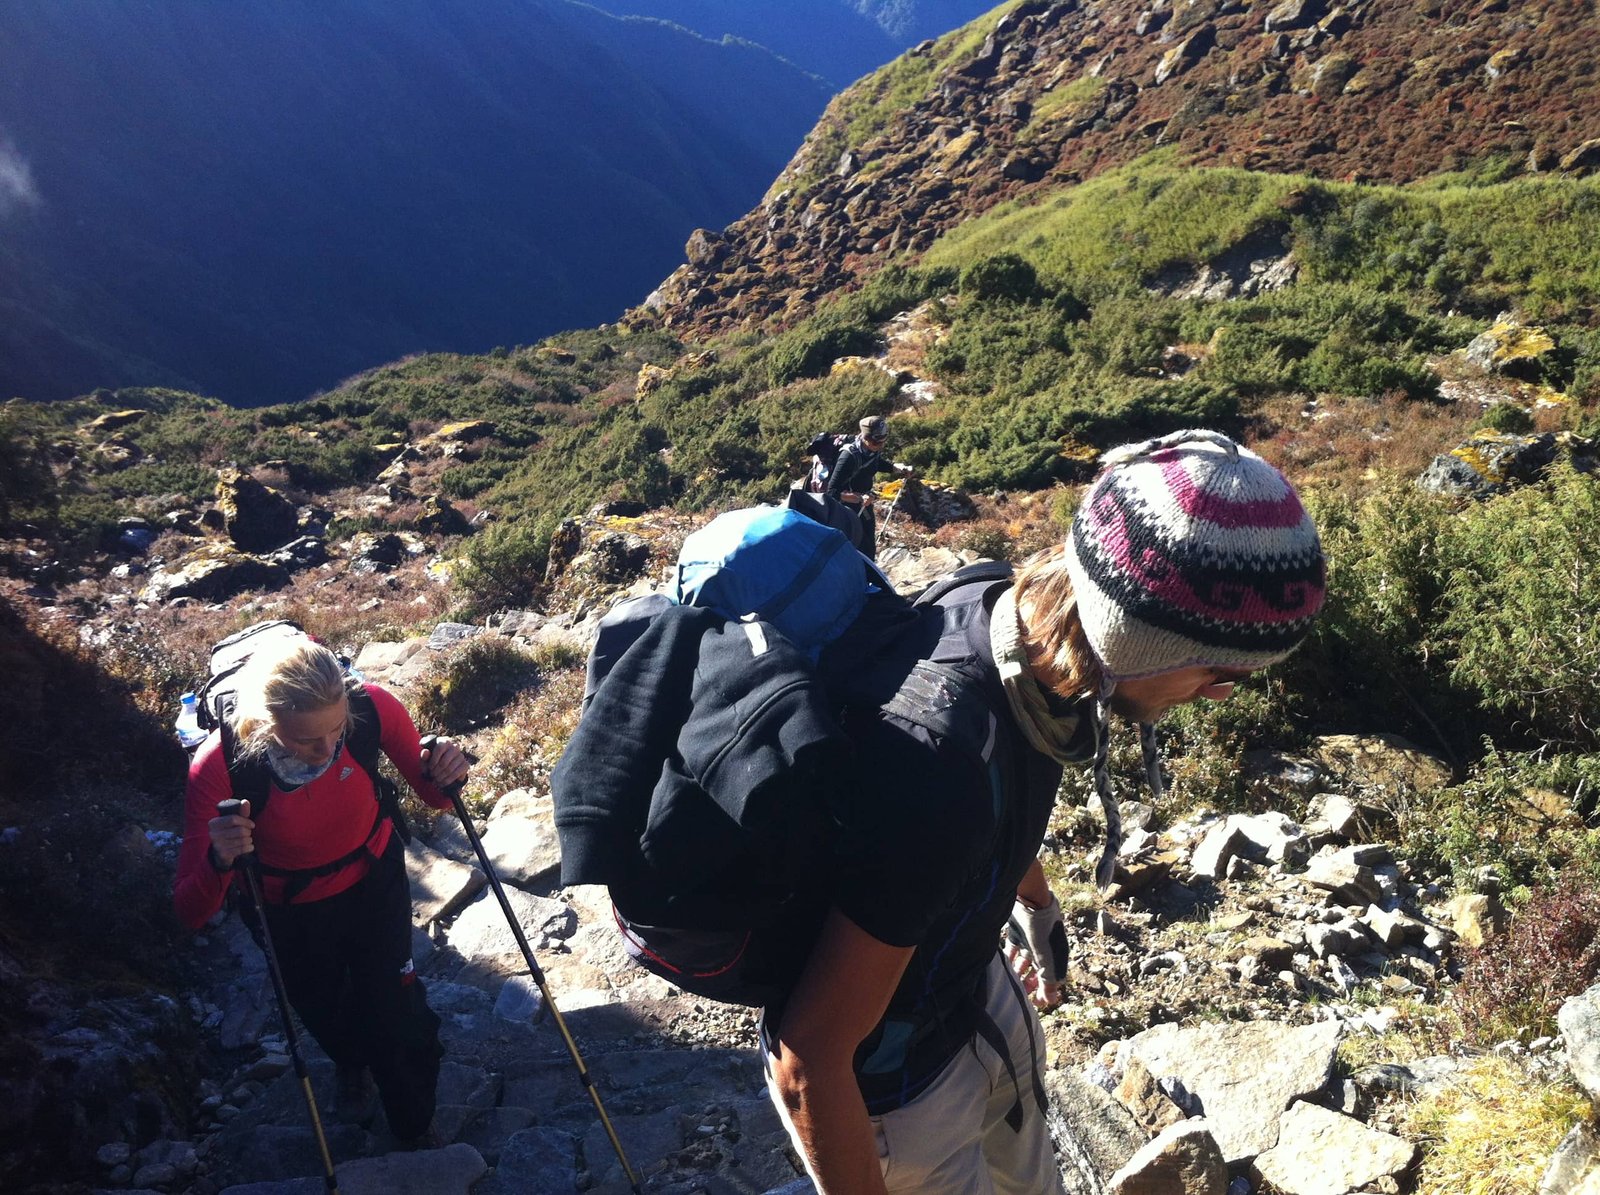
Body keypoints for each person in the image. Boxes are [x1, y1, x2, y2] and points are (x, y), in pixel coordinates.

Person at [763, 429, 1327, 1193]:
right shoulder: (940, 762)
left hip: (974, 999)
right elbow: (809, 1056)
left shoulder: (1009, 610)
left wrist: (1032, 897)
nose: (1222, 693)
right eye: (1222, 670)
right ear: (1136, 637)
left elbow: (997, 791)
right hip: (896, 1094)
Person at [173, 638, 469, 1145]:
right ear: (263, 726)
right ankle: (352, 1063)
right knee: (325, 1012)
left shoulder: (371, 708)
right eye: (308, 741)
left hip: (374, 884)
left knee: (397, 1015)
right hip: (288, 913)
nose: (329, 748)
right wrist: (220, 858)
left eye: (337, 730)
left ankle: (416, 1131)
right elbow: (190, 911)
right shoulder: (220, 765)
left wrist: (445, 767)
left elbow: (438, 798)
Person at [824, 415, 914, 559]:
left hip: (864, 503)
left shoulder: (870, 449)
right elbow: (831, 491)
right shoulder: (848, 457)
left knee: (868, 545)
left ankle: (868, 575)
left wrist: (896, 469)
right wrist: (858, 498)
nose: (881, 445)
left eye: (883, 440)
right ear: (867, 438)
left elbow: (874, 462)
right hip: (848, 509)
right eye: (878, 442)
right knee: (855, 546)